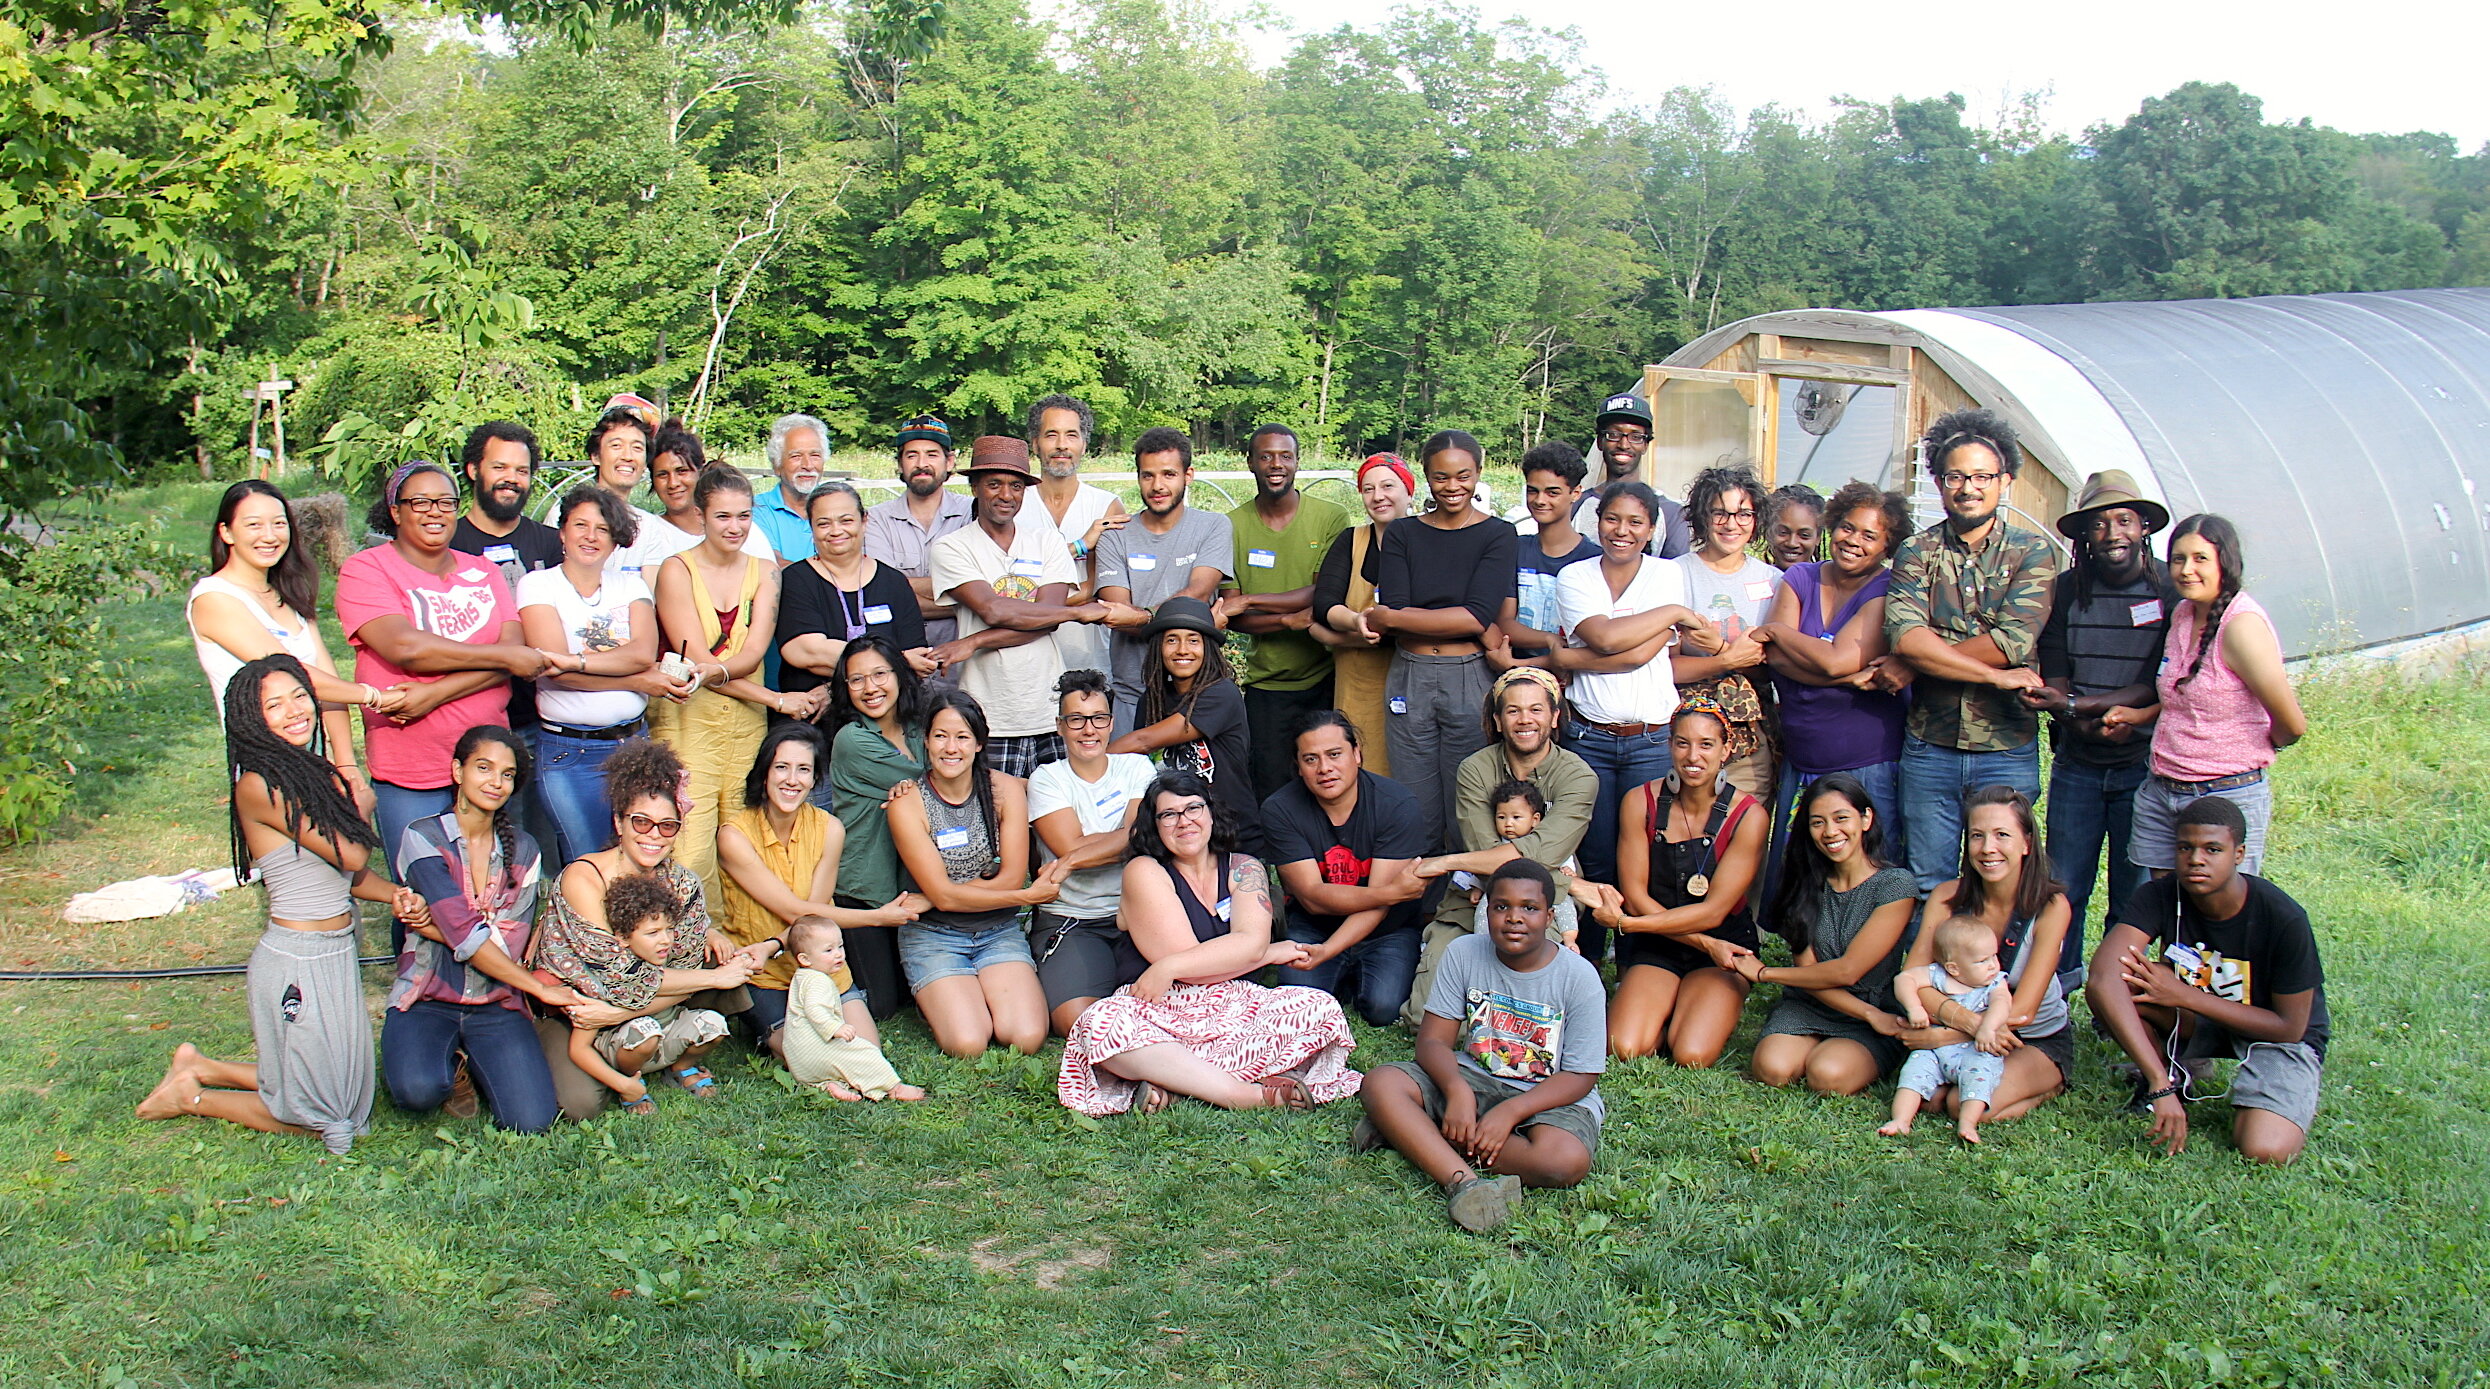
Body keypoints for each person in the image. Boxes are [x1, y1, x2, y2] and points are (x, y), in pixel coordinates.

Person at [138, 656, 411, 1150]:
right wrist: (360, 801)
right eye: (274, 705)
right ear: (250, 718)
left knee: (349, 1103)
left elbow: (347, 874)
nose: (293, 711)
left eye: (300, 696)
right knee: (328, 1120)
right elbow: (351, 848)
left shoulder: (308, 772)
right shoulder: (260, 784)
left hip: (336, 950)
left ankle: (203, 1067)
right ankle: (191, 1095)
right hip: (297, 958)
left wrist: (398, 895)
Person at [1056, 771, 1361, 1116]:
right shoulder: (1144, 870)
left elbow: (1249, 943)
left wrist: (1245, 952)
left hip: (1234, 1005)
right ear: (1155, 825)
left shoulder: (1245, 867)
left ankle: (1174, 1080)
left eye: (1193, 809)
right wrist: (1263, 954)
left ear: (1211, 813)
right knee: (1102, 1024)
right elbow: (1190, 966)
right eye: (1168, 815)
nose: (1183, 822)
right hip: (1159, 1008)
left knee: (1319, 1008)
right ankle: (1244, 1094)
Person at [334, 461, 575, 881]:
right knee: (424, 894)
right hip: (412, 760)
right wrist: (502, 658)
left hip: (487, 759)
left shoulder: (480, 570)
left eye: (446, 502)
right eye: (420, 502)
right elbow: (405, 646)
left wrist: (433, 694)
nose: (435, 512)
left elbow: (513, 650)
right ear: (395, 510)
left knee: (493, 886)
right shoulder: (367, 569)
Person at [1354, 859, 1604, 1232]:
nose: (1514, 918)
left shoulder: (1579, 976)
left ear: (1550, 916)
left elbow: (1581, 1075)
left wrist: (1511, 1112)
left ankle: (1414, 1134)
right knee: (1381, 1083)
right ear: (1485, 909)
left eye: (1530, 908)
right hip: (1474, 1076)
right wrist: (1457, 1091)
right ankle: (1464, 1183)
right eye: (1501, 906)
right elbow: (1433, 1041)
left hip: (1546, 1094)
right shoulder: (1464, 952)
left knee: (1563, 1161)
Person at [531, 738, 763, 1119]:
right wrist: (715, 980)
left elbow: (685, 969)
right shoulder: (583, 878)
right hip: (574, 1009)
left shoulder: (683, 883)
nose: (654, 835)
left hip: (624, 1004)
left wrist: (614, 1015)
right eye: (641, 821)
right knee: (580, 1106)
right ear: (618, 822)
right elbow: (623, 978)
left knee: (717, 972)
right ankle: (636, 1059)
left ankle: (666, 1057)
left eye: (668, 826)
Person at [2088, 796, 2328, 1165]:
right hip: (2196, 1017)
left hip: (2274, 1033)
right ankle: (2170, 1078)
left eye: (2212, 849)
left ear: (2239, 853)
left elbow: (2290, 1027)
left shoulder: (2283, 917)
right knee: (2123, 982)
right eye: (2186, 847)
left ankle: (2278, 1098)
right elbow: (2104, 977)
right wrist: (2158, 1083)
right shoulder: (2161, 895)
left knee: (2264, 1150)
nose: (2196, 859)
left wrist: (2186, 995)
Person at [1886, 408, 2061, 890]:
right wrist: (1992, 675)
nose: (1969, 488)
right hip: (1930, 748)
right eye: (1955, 476)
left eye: (1982, 476)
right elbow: (1904, 638)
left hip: (2004, 746)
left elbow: (2012, 641)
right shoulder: (1916, 552)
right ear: (1939, 483)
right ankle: (1924, 969)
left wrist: (1924, 656)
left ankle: (2003, 969)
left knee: (2006, 881)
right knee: (1928, 882)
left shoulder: (2032, 553)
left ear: (2005, 481)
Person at [381, 725, 574, 1133]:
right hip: (428, 995)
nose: (495, 782)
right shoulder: (422, 837)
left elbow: (509, 941)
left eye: (507, 775)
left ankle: (485, 1058)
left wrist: (433, 925)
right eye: (483, 768)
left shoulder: (523, 850)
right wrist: (537, 987)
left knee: (532, 1122)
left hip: (496, 1000)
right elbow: (466, 931)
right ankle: (453, 1068)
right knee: (418, 1090)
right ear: (457, 770)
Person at [1550, 481, 1715, 957]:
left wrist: (1568, 657)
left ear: (1650, 529)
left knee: (1643, 853)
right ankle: (1591, 955)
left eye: (1635, 522)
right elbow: (1606, 640)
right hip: (1590, 739)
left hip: (1650, 740)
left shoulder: (1665, 575)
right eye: (1612, 519)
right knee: (1596, 853)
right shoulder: (1575, 576)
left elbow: (1643, 652)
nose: (1622, 531)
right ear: (1597, 521)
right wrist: (1674, 615)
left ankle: (1639, 954)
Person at [2027, 470, 2174, 988]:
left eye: (2124, 520)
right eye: (2100, 523)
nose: (2113, 533)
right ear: (2084, 535)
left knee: (2133, 896)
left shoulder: (2170, 589)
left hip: (2143, 766)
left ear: (2143, 528)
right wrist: (2075, 713)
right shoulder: (2066, 591)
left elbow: (2162, 678)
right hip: (2078, 764)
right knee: (2065, 887)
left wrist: (2086, 705)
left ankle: (2119, 994)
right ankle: (2055, 991)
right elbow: (2055, 667)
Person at [2106, 513, 2307, 880]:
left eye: (2200, 559)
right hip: (2163, 788)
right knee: (2167, 912)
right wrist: (2142, 715)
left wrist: (2246, 746)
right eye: (2179, 559)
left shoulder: (2241, 626)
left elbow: (2291, 724)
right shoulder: (2184, 613)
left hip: (2225, 794)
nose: (2186, 570)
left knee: (2217, 918)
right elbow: (2186, 696)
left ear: (2225, 563)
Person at [927, 437, 1134, 777]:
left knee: (1054, 819)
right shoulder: (953, 547)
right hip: (988, 711)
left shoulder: (1046, 542)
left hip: (1048, 710)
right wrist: (1077, 612)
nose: (1006, 495)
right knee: (995, 818)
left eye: (1016, 486)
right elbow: (995, 610)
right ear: (975, 486)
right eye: (994, 484)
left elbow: (1045, 621)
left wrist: (974, 642)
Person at [187, 480, 394, 815]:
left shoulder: (289, 595)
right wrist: (375, 696)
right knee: (304, 865)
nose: (269, 536)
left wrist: (345, 765)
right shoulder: (214, 598)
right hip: (268, 765)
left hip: (315, 756)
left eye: (279, 523)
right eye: (253, 525)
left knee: (344, 860)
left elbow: (329, 682)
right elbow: (293, 672)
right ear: (226, 532)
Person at [1576, 700, 1766, 1065]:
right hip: (1660, 943)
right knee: (1623, 1047)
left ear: (1727, 749)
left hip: (1726, 949)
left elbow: (1713, 912)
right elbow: (1635, 894)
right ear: (1669, 745)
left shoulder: (1749, 816)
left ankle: (1693, 1007)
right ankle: (1666, 1004)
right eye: (1682, 743)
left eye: (1706, 744)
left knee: (1691, 1053)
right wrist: (1699, 942)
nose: (1693, 755)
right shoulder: (1639, 801)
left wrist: (1629, 925)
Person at [715, 722, 926, 1050]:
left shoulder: (830, 828)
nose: (791, 779)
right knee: (808, 1056)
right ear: (764, 772)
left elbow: (812, 919)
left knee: (866, 1050)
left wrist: (772, 944)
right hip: (763, 973)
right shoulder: (734, 836)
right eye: (781, 767)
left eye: (803, 770)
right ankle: (764, 1027)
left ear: (815, 780)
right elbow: (794, 910)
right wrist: (878, 917)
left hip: (820, 964)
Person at [1404, 666, 1598, 1021]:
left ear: (1555, 717)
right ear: (1497, 720)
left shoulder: (1578, 776)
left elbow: (1538, 857)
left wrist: (1446, 862)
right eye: (1513, 710)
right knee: (1424, 1016)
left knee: (1532, 1016)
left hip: (1541, 904)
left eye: (1536, 709)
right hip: (1472, 900)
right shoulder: (1475, 769)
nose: (1526, 720)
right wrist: (1573, 883)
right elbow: (1489, 850)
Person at [886, 692, 1066, 1056]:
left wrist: (945, 895)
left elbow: (1011, 877)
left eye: (962, 737)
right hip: (933, 934)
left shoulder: (1005, 790)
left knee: (1026, 1037)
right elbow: (949, 896)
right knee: (968, 1042)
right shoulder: (908, 803)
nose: (950, 748)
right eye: (940, 736)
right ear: (925, 740)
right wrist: (1026, 898)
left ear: (979, 743)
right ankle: (940, 997)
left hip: (997, 930)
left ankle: (970, 992)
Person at [518, 485, 687, 868]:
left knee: (639, 858)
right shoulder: (538, 585)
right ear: (562, 532)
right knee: (589, 863)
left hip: (633, 745)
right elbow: (552, 669)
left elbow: (642, 652)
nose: (590, 536)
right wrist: (633, 678)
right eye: (580, 525)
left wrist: (576, 660)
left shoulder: (631, 585)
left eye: (602, 528)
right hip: (569, 753)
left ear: (615, 541)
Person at [1758, 482, 1914, 892]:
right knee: (1803, 879)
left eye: (1869, 535)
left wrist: (1776, 630)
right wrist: (1846, 678)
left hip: (1865, 759)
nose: (1854, 541)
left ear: (1888, 545)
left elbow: (1833, 659)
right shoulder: (1800, 576)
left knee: (1863, 875)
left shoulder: (1886, 589)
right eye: (1847, 528)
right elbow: (1774, 659)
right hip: (1803, 753)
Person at [1888, 785, 2073, 1122]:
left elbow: (2023, 1011)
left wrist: (1945, 1033)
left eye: (2002, 835)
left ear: (2027, 843)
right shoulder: (1947, 897)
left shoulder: (2051, 906)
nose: (1988, 849)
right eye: (1977, 836)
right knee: (1930, 1101)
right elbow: (1913, 980)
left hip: (2029, 1038)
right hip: (1969, 1036)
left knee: (1962, 1104)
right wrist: (1971, 1025)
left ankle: (2052, 1082)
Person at [1370, 430, 1517, 843]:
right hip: (1409, 675)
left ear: (1479, 474)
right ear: (1427, 477)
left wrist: (1397, 616)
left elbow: (1477, 616)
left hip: (1469, 675)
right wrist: (1397, 615)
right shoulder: (1402, 533)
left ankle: (1467, 894)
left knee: (1470, 798)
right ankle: (1422, 900)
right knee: (1414, 799)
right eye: (1441, 477)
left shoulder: (1498, 534)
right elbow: (1394, 611)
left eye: (1463, 475)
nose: (1453, 487)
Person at [652, 466, 789, 904]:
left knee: (743, 840)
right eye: (723, 517)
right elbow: (696, 663)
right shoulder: (676, 571)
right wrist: (775, 699)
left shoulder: (766, 572)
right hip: (689, 725)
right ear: (700, 516)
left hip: (747, 727)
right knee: (690, 845)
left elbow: (750, 655)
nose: (736, 527)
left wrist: (726, 676)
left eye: (744, 516)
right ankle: (695, 945)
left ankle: (746, 952)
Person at [1742, 773, 1921, 1094]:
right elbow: (1810, 975)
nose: (1830, 832)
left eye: (1841, 818)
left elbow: (1848, 971)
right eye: (1817, 823)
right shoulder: (1804, 883)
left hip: (1872, 1013)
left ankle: (1847, 1052)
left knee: (1827, 1075)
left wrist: (1765, 973)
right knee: (1772, 1069)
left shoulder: (1895, 886)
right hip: (1811, 1001)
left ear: (1866, 819)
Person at [1262, 710, 1431, 1027]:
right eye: (1310, 759)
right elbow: (1312, 896)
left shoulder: (1396, 803)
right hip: (1314, 924)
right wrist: (1391, 892)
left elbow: (1381, 905)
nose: (1324, 768)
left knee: (1383, 1009)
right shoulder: (1280, 809)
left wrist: (1327, 952)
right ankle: (1341, 974)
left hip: (1388, 928)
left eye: (1334, 754)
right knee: (1298, 1008)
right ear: (1298, 767)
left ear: (1357, 754)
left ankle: (1349, 972)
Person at [1217, 423, 1350, 805]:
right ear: (1250, 463)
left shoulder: (1330, 516)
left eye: (1285, 456)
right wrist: (1287, 621)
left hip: (1327, 677)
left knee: (1328, 781)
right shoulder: (1232, 524)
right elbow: (1233, 615)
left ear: (1297, 462)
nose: (1276, 464)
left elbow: (1322, 591)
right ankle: (1275, 864)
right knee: (1271, 787)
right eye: (1266, 456)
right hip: (1266, 686)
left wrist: (1253, 601)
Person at [1027, 669, 1155, 1036]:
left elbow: (1139, 836)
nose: (1089, 730)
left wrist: (1071, 860)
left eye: (1099, 718)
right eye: (1077, 720)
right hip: (1073, 918)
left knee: (1176, 999)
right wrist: (1118, 838)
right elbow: (1071, 844)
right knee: (1077, 1020)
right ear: (1060, 726)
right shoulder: (1047, 778)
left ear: (1111, 723)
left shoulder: (1136, 766)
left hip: (1138, 912)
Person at [1094, 427, 1233, 733]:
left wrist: (1143, 616)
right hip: (1132, 693)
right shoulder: (1116, 535)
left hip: (1197, 696)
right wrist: (1191, 620)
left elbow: (1196, 594)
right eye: (1148, 475)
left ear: (1188, 475)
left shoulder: (1213, 526)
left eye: (1169, 474)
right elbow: (1118, 616)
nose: (1158, 486)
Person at [821, 636, 930, 1016]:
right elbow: (945, 783)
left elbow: (941, 779)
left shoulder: (921, 726)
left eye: (880, 674)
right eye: (856, 680)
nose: (870, 688)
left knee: (918, 994)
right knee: (883, 1005)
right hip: (867, 889)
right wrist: (921, 786)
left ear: (899, 674)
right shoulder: (853, 739)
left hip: (917, 884)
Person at [567, 875, 734, 1113]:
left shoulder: (671, 964)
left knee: (714, 1024)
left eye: (669, 929)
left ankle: (681, 1068)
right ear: (624, 938)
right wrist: (622, 1084)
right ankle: (632, 1082)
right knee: (644, 1032)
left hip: (666, 1033)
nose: (665, 940)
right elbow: (578, 1048)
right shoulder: (611, 975)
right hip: (626, 1044)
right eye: (652, 933)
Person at [1109, 596, 1258, 854]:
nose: (1182, 649)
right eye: (1171, 640)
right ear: (1159, 647)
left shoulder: (1221, 693)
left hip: (1231, 833)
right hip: (1178, 834)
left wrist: (1082, 765)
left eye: (1193, 640)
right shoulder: (1152, 699)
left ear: (1207, 647)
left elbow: (1143, 742)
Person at [774, 479, 934, 715]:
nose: (836, 531)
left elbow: (917, 662)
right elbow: (806, 652)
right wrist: (896, 661)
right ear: (811, 527)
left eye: (846, 520)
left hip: (889, 721)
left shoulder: (893, 582)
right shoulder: (796, 580)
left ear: (864, 521)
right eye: (823, 523)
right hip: (815, 720)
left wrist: (834, 689)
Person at [1672, 464, 1783, 799]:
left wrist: (1720, 648)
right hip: (1685, 731)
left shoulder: (1774, 581)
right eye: (1719, 513)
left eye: (1743, 513)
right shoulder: (1674, 574)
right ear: (1702, 516)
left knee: (1744, 824)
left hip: (1751, 732)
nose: (1731, 524)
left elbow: (1772, 667)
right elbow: (1667, 667)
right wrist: (1730, 658)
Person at [1309, 453, 1417, 773]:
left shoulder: (1429, 542)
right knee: (1358, 771)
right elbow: (1324, 603)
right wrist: (1357, 621)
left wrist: (1335, 636)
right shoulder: (1352, 540)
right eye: (1368, 489)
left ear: (1409, 491)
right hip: (1357, 685)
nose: (1377, 496)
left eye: (1387, 486)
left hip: (1413, 682)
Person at [1881, 915, 2015, 1144]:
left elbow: (2003, 1003)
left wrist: (1987, 1027)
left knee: (1980, 1075)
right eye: (1982, 960)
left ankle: (1968, 1124)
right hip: (1934, 1050)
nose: (1993, 964)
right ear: (1953, 968)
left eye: (1994, 955)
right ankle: (1901, 1120)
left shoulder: (1995, 982)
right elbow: (1904, 979)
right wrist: (1914, 1008)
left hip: (1975, 1049)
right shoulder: (1937, 975)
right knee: (1914, 1072)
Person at [1024, 397, 1126, 684]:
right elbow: (1001, 583)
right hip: (1026, 654)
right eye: (1051, 435)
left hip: (1089, 656)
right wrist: (1080, 546)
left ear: (1084, 444)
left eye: (1071, 435)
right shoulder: (1015, 505)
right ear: (1035, 443)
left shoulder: (1106, 506)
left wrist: (1027, 606)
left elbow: (1097, 588)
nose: (1061, 445)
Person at [863, 413, 975, 663]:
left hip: (963, 660)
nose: (921, 463)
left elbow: (990, 584)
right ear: (900, 464)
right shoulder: (876, 519)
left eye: (932, 454)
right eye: (912, 455)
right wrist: (965, 602)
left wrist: (905, 586)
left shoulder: (973, 513)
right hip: (900, 657)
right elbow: (883, 591)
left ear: (949, 462)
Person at [780, 916, 925, 1101]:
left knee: (835, 1066)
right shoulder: (818, 981)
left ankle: (830, 1086)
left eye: (840, 946)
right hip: (814, 1049)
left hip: (799, 1059)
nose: (838, 954)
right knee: (864, 1052)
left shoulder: (803, 977)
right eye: (828, 950)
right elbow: (815, 1010)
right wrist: (835, 1028)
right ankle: (894, 1088)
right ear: (805, 959)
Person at [610, 420, 773, 581]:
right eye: (662, 475)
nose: (673, 483)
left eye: (682, 471)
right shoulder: (649, 531)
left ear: (699, 471)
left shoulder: (740, 529)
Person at [1494, 441, 1600, 669]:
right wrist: (1550, 639)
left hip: (1573, 679)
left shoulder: (1595, 560)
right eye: (1533, 490)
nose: (1540, 500)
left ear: (1576, 493)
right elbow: (1505, 622)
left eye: (1553, 492)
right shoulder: (1515, 549)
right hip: (1518, 678)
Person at [1459, 782, 1579, 946]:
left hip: (1539, 888)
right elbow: (1483, 865)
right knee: (1485, 908)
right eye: (1501, 817)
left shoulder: (1542, 840)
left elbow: (1561, 856)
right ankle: (1484, 942)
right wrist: (1477, 886)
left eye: (1516, 817)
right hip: (1503, 891)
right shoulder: (1497, 844)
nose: (1508, 823)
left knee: (1563, 903)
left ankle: (1570, 939)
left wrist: (1568, 869)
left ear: (1535, 819)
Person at [1572, 393, 1691, 556]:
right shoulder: (1575, 506)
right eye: (1613, 435)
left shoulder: (1671, 514)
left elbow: (1674, 575)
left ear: (1645, 445)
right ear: (1600, 441)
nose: (1623, 444)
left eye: (1636, 437)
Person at [751, 412, 831, 562]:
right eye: (796, 456)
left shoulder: (837, 507)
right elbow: (772, 563)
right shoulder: (757, 510)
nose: (807, 465)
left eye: (815, 455)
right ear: (777, 465)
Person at [585, 404, 653, 507]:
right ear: (596, 456)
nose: (628, 456)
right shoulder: (570, 515)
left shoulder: (647, 522)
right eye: (616, 445)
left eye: (637, 447)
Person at [1763, 484, 1826, 569]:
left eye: (1804, 535)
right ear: (1769, 532)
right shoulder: (1757, 579)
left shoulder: (1827, 581)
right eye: (1783, 532)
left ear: (1818, 537)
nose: (1792, 543)